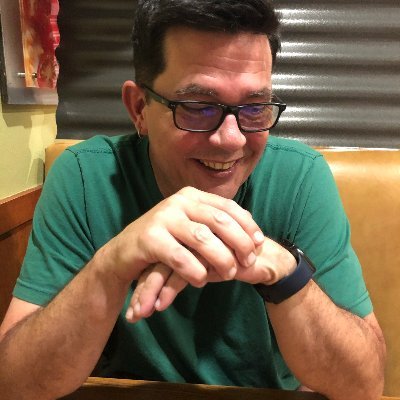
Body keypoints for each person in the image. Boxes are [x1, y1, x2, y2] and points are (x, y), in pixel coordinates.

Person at [0, 0, 385, 399]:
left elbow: (365, 387)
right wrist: (109, 268)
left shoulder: (300, 177)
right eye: (198, 107)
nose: (231, 139)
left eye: (255, 108)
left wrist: (286, 274)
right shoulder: (84, 177)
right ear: (139, 109)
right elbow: (13, 385)